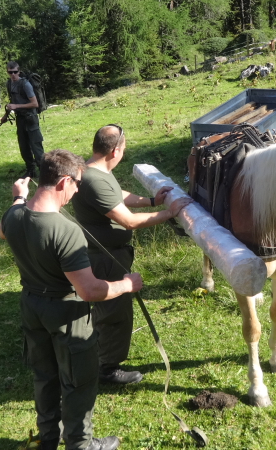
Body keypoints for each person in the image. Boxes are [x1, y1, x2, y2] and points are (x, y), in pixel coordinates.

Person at [0, 149, 144, 450]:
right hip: (65, 312)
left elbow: (3, 229)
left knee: (44, 375)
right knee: (79, 378)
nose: (77, 190)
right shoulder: (66, 231)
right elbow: (89, 290)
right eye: (76, 184)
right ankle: (79, 445)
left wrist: (18, 198)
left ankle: (48, 438)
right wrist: (127, 284)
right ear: (64, 181)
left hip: (31, 306)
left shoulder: (13, 216)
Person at [71, 124, 191, 385]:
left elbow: (116, 196)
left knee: (111, 310)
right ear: (115, 150)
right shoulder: (94, 179)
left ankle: (100, 357)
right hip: (106, 258)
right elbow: (130, 222)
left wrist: (150, 201)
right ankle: (106, 368)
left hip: (108, 253)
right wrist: (170, 213)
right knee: (114, 314)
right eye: (123, 150)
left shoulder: (95, 170)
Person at [4, 61, 44, 178]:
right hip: (20, 119)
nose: (13, 75)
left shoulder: (25, 84)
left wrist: (17, 106)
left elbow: (35, 103)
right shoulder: (9, 84)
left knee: (36, 146)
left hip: (31, 119)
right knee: (24, 147)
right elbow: (13, 101)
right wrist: (6, 116)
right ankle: (30, 170)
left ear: (19, 72)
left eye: (15, 72)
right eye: (10, 72)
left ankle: (44, 171)